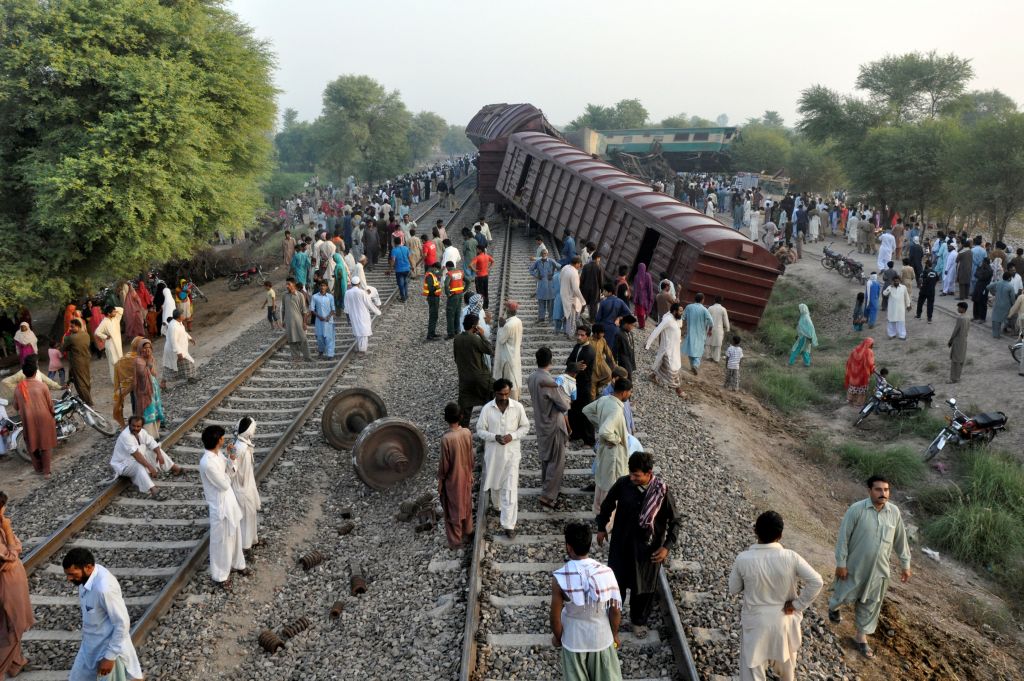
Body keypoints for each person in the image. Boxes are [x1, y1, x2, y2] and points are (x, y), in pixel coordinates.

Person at [729, 511, 823, 681]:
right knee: (787, 671)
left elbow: (733, 588)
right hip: (784, 622)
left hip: (755, 624)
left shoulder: (743, 559)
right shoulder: (791, 557)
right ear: (780, 535)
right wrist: (796, 605)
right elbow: (817, 581)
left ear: (755, 531)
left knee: (752, 671)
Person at [596, 452, 680, 640]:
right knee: (616, 584)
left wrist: (666, 547)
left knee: (643, 587)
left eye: (637, 475)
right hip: (621, 545)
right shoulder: (624, 484)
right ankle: (612, 619)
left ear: (649, 473)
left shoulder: (662, 492)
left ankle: (638, 621)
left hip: (648, 551)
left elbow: (676, 522)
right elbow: (608, 504)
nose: (632, 478)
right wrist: (601, 527)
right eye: (631, 474)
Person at [828, 476, 911, 659]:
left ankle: (861, 638)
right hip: (855, 566)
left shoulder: (894, 512)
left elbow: (900, 541)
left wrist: (905, 564)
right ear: (869, 491)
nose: (883, 494)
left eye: (886, 490)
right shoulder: (856, 510)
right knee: (843, 594)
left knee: (871, 603)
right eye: (879, 490)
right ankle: (833, 607)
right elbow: (843, 538)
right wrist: (841, 563)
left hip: (879, 570)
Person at [550, 522, 623, 681]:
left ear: (569, 547)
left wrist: (558, 637)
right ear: (589, 545)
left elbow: (555, 618)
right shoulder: (606, 572)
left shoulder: (560, 578)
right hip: (601, 638)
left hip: (573, 640)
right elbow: (615, 610)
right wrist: (615, 634)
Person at [62, 547, 143, 681]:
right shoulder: (86, 578)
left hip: (106, 650)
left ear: (88, 567)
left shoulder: (104, 589)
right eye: (67, 574)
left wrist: (109, 657)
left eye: (72, 574)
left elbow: (122, 623)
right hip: (89, 646)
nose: (69, 579)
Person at [477, 378, 531, 539]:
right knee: (495, 484)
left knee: (510, 489)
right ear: (495, 393)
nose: (504, 397)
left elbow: (525, 427)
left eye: (507, 394)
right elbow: (480, 430)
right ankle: (497, 506)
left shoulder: (517, 407)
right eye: (501, 394)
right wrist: (495, 437)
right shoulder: (487, 409)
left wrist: (512, 435)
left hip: (512, 455)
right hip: (493, 455)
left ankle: (508, 525)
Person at [198, 425, 248, 590]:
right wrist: (231, 465)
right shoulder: (207, 463)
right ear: (217, 440)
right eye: (222, 437)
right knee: (221, 542)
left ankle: (237, 563)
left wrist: (231, 457)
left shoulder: (217, 454)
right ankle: (220, 576)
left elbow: (228, 469)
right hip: (220, 506)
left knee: (235, 535)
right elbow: (225, 483)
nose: (224, 439)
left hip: (229, 502)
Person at [528, 348, 572, 510]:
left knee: (546, 458)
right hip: (553, 424)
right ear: (550, 361)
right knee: (556, 460)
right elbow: (563, 404)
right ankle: (548, 495)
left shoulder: (532, 377)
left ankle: (546, 487)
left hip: (541, 422)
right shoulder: (548, 381)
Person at [583, 378, 631, 515]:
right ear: (623, 392)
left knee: (601, 480)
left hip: (604, 449)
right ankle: (607, 520)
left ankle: (598, 511)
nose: (630, 394)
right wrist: (616, 439)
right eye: (629, 392)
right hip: (613, 453)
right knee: (611, 485)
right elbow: (605, 431)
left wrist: (599, 423)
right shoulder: (616, 410)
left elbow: (586, 410)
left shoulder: (604, 400)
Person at [0, 491, 34, 679]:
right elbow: (11, 554)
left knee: (9, 624)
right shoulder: (2, 527)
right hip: (7, 584)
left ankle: (16, 663)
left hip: (11, 580)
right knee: (13, 626)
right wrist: (7, 529)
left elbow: (17, 547)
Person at [110, 416, 181, 495]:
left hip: (136, 458)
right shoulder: (125, 436)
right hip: (123, 464)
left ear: (141, 426)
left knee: (155, 451)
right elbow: (136, 455)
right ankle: (152, 489)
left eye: (138, 426)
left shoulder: (142, 432)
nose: (135, 428)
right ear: (129, 424)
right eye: (133, 426)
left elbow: (152, 443)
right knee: (137, 465)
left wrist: (159, 454)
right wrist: (150, 467)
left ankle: (175, 468)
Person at [12, 357, 57, 478]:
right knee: (45, 444)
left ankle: (38, 469)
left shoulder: (18, 388)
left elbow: (16, 406)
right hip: (44, 417)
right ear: (36, 372)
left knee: (32, 444)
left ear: (24, 374)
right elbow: (50, 404)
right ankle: (47, 472)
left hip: (28, 420)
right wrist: (53, 415)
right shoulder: (42, 386)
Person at [438, 403, 474, 549]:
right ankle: (468, 531)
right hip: (466, 475)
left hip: (453, 479)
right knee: (466, 503)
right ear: (461, 416)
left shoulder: (446, 439)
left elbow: (444, 465)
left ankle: (456, 541)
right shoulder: (467, 433)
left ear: (446, 418)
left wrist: (441, 479)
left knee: (453, 508)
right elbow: (471, 455)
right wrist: (470, 472)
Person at [454, 314, 494, 428]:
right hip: (479, 378)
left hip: (464, 379)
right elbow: (489, 350)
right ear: (474, 326)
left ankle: (463, 435)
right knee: (496, 393)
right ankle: (492, 426)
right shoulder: (474, 339)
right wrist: (482, 335)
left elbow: (456, 358)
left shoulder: (457, 339)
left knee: (465, 410)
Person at [229, 417, 261, 554]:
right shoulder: (240, 448)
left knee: (251, 514)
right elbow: (233, 471)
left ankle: (252, 540)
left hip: (248, 486)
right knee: (246, 517)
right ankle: (245, 546)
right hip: (242, 488)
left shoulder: (245, 444)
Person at [567, 325, 597, 447]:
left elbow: (580, 368)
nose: (579, 337)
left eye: (582, 335)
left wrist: (572, 366)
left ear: (587, 336)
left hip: (584, 386)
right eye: (577, 334)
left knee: (586, 413)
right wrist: (574, 365)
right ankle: (576, 434)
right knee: (573, 410)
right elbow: (569, 363)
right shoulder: (577, 346)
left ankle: (589, 440)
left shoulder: (589, 350)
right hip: (574, 384)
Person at [646, 302, 684, 397]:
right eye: (680, 311)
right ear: (674, 311)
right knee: (672, 368)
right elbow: (656, 331)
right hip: (667, 349)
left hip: (675, 349)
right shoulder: (667, 320)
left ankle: (652, 376)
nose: (681, 313)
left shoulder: (677, 320)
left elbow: (678, 330)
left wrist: (679, 340)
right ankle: (678, 389)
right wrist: (648, 344)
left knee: (662, 363)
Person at [493, 300, 523, 400]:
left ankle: (512, 400)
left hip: (507, 357)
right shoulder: (518, 321)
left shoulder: (508, 325)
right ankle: (516, 397)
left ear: (508, 311)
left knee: (510, 380)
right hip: (515, 355)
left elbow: (501, 339)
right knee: (515, 377)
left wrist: (501, 327)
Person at [344, 276, 381, 354]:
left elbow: (346, 307)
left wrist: (348, 318)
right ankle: (362, 350)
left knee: (357, 331)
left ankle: (359, 347)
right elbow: (369, 304)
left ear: (352, 283)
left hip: (353, 315)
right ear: (359, 284)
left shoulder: (347, 293)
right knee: (364, 332)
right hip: (363, 314)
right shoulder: (362, 292)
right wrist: (378, 312)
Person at [62, 318, 94, 405]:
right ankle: (86, 397)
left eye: (72, 327)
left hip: (77, 362)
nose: (70, 329)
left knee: (80, 382)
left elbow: (64, 348)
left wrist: (67, 337)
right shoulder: (86, 335)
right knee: (86, 380)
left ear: (78, 326)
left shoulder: (71, 338)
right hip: (86, 360)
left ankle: (88, 401)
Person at [682, 293, 713, 375]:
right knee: (699, 351)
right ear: (702, 300)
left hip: (690, 332)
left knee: (691, 349)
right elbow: (711, 322)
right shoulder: (704, 310)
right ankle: (695, 365)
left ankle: (692, 365)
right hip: (701, 333)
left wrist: (682, 327)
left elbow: (683, 317)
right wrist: (710, 330)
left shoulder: (689, 307)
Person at [282, 278, 312, 362]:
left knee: (303, 339)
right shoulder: (284, 295)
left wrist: (304, 323)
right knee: (291, 340)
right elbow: (283, 309)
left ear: (294, 284)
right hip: (288, 321)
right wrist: (283, 321)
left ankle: (307, 357)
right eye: (286, 284)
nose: (287, 286)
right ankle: (296, 357)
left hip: (299, 321)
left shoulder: (300, 295)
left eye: (289, 284)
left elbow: (304, 311)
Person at [162, 309, 197, 382]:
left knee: (187, 364)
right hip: (173, 350)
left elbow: (183, 332)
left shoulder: (179, 323)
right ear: (179, 316)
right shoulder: (174, 326)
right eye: (182, 314)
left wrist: (190, 338)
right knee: (170, 368)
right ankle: (163, 383)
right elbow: (173, 340)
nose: (184, 315)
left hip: (181, 349)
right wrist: (178, 352)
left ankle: (190, 378)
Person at [93, 305, 124, 382]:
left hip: (118, 343)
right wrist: (105, 337)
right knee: (113, 362)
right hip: (111, 345)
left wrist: (113, 308)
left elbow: (121, 309)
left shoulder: (116, 318)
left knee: (120, 360)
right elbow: (97, 332)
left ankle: (121, 378)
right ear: (108, 313)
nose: (115, 312)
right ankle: (115, 381)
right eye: (113, 312)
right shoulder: (104, 322)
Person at [529, 249, 558, 323]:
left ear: (547, 254)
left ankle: (551, 318)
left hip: (550, 286)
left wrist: (553, 275)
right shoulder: (538, 262)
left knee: (550, 304)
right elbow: (531, 270)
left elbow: (560, 267)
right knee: (541, 302)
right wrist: (536, 275)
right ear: (541, 254)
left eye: (545, 253)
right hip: (541, 285)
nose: (544, 254)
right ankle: (541, 318)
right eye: (543, 253)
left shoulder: (551, 261)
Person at [560, 258, 586, 339]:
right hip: (571, 298)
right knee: (572, 317)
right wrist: (582, 300)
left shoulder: (565, 268)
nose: (580, 266)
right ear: (577, 264)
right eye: (579, 264)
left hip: (564, 294)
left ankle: (565, 331)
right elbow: (576, 289)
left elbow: (560, 279)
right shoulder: (574, 273)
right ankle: (570, 334)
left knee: (567, 314)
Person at [310, 280, 336, 359]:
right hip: (319, 321)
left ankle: (330, 354)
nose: (322, 287)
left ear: (327, 287)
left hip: (329, 321)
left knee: (329, 337)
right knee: (320, 337)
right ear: (319, 286)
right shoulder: (315, 296)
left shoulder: (330, 297)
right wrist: (319, 316)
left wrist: (328, 316)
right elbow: (312, 309)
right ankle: (321, 351)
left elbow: (333, 308)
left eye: (324, 285)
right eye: (321, 285)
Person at [987, 272, 1016, 338]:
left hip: (997, 303)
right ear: (1009, 278)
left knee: (995, 319)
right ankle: (1002, 332)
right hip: (1006, 305)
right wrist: (1013, 305)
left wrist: (994, 293)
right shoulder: (1010, 287)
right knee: (1004, 319)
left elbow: (988, 287)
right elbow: (1012, 298)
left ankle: (995, 334)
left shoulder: (998, 283)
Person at [948, 301, 970, 383]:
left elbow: (955, 331)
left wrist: (950, 341)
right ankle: (958, 377)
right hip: (964, 340)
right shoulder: (968, 317)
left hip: (957, 341)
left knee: (955, 361)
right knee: (961, 360)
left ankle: (954, 378)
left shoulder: (960, 318)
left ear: (963, 308)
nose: (958, 309)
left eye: (959, 307)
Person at [444, 261, 467, 340]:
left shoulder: (450, 274)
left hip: (453, 296)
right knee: (457, 313)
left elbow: (446, 284)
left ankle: (451, 333)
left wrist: (447, 293)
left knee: (450, 314)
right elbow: (468, 281)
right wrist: (464, 290)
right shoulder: (460, 272)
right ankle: (457, 331)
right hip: (460, 295)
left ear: (447, 267)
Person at [579, 252, 604, 323]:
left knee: (583, 303)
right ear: (598, 258)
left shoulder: (586, 266)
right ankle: (592, 320)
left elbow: (582, 279)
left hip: (585, 289)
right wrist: (602, 290)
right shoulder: (600, 267)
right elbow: (601, 281)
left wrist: (580, 288)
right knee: (594, 306)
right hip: (595, 290)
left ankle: (578, 316)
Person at [706, 296, 731, 363]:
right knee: (718, 344)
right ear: (721, 301)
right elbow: (726, 320)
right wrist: (727, 328)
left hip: (710, 328)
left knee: (708, 343)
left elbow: (706, 318)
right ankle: (716, 359)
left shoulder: (710, 308)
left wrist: (705, 326)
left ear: (714, 300)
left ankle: (708, 356)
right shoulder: (723, 309)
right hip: (719, 329)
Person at [470, 245, 495, 309]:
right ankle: (486, 306)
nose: (476, 250)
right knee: (485, 291)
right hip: (485, 276)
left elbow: (470, 265)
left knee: (480, 292)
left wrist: (475, 270)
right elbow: (493, 261)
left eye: (477, 249)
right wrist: (489, 268)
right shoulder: (487, 256)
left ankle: (481, 306)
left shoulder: (477, 257)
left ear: (480, 250)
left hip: (479, 277)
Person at [631, 263, 655, 329]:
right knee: (640, 312)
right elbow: (636, 288)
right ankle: (641, 325)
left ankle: (642, 324)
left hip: (643, 297)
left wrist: (650, 296)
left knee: (641, 312)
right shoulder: (638, 276)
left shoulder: (645, 276)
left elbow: (649, 287)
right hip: (641, 297)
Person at [423, 262, 443, 341]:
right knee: (433, 316)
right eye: (437, 269)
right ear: (434, 267)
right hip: (433, 298)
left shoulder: (432, 274)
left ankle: (432, 333)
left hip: (435, 297)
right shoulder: (430, 276)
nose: (437, 271)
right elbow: (431, 288)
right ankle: (430, 335)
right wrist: (437, 287)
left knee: (435, 316)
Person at [613, 314, 637, 380]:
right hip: (623, 358)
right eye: (631, 325)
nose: (633, 327)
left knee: (629, 373)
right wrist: (615, 362)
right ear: (626, 324)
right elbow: (615, 349)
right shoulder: (619, 334)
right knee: (627, 375)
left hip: (630, 357)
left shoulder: (630, 333)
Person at [916, 259, 939, 323]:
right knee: (930, 304)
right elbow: (937, 280)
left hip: (924, 290)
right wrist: (933, 285)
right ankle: (929, 318)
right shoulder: (935, 272)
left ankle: (918, 315)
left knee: (920, 302)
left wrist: (920, 286)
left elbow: (920, 280)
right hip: (931, 290)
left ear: (926, 264)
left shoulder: (924, 272)